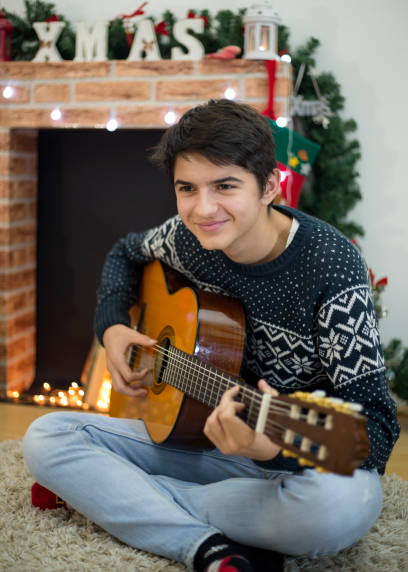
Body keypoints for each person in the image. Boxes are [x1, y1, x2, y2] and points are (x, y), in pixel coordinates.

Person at [23, 99, 399, 572]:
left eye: (225, 186)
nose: (203, 209)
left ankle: (117, 500)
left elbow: (379, 433)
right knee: (48, 436)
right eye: (187, 189)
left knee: (343, 507)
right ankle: (205, 544)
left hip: (297, 465)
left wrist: (273, 448)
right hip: (201, 444)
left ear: (269, 186)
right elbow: (126, 252)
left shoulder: (329, 267)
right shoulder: (186, 238)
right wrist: (113, 326)